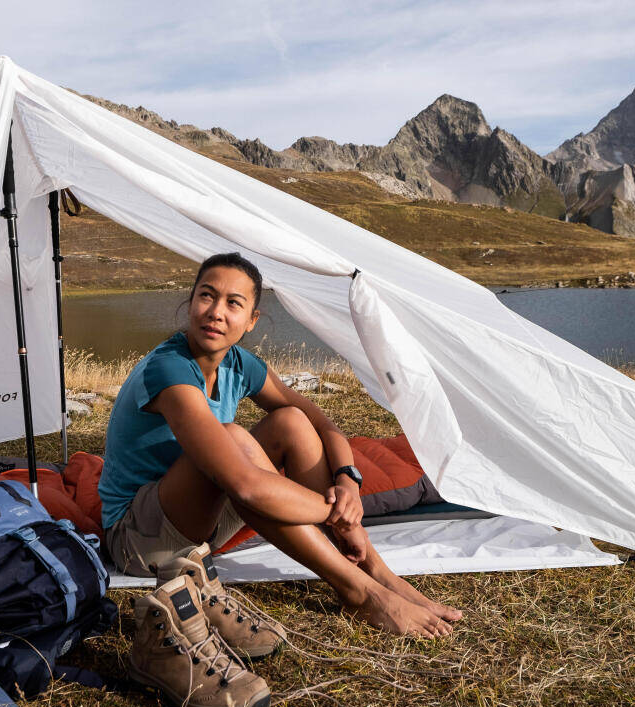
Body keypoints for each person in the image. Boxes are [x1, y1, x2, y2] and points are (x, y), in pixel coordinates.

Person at [99, 253, 463, 641]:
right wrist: (339, 515)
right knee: (235, 440)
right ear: (190, 303)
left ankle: (376, 570)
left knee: (291, 421)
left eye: (234, 303)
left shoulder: (239, 364)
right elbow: (245, 486)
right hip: (140, 539)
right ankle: (360, 591)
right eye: (207, 296)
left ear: (252, 320)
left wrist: (348, 480)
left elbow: (321, 424)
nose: (216, 312)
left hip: (199, 522)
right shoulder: (169, 368)